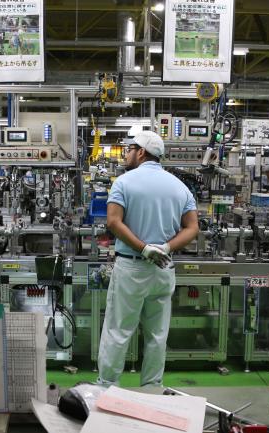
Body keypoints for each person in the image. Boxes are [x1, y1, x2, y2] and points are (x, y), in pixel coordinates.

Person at [97, 130, 198, 387]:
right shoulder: (180, 187)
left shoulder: (124, 183)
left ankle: (108, 387)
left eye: (130, 149)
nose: (127, 154)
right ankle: (152, 386)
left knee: (119, 330)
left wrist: (143, 248)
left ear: (141, 152)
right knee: (157, 333)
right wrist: (164, 247)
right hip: (164, 268)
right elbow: (192, 228)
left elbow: (113, 221)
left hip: (132, 267)